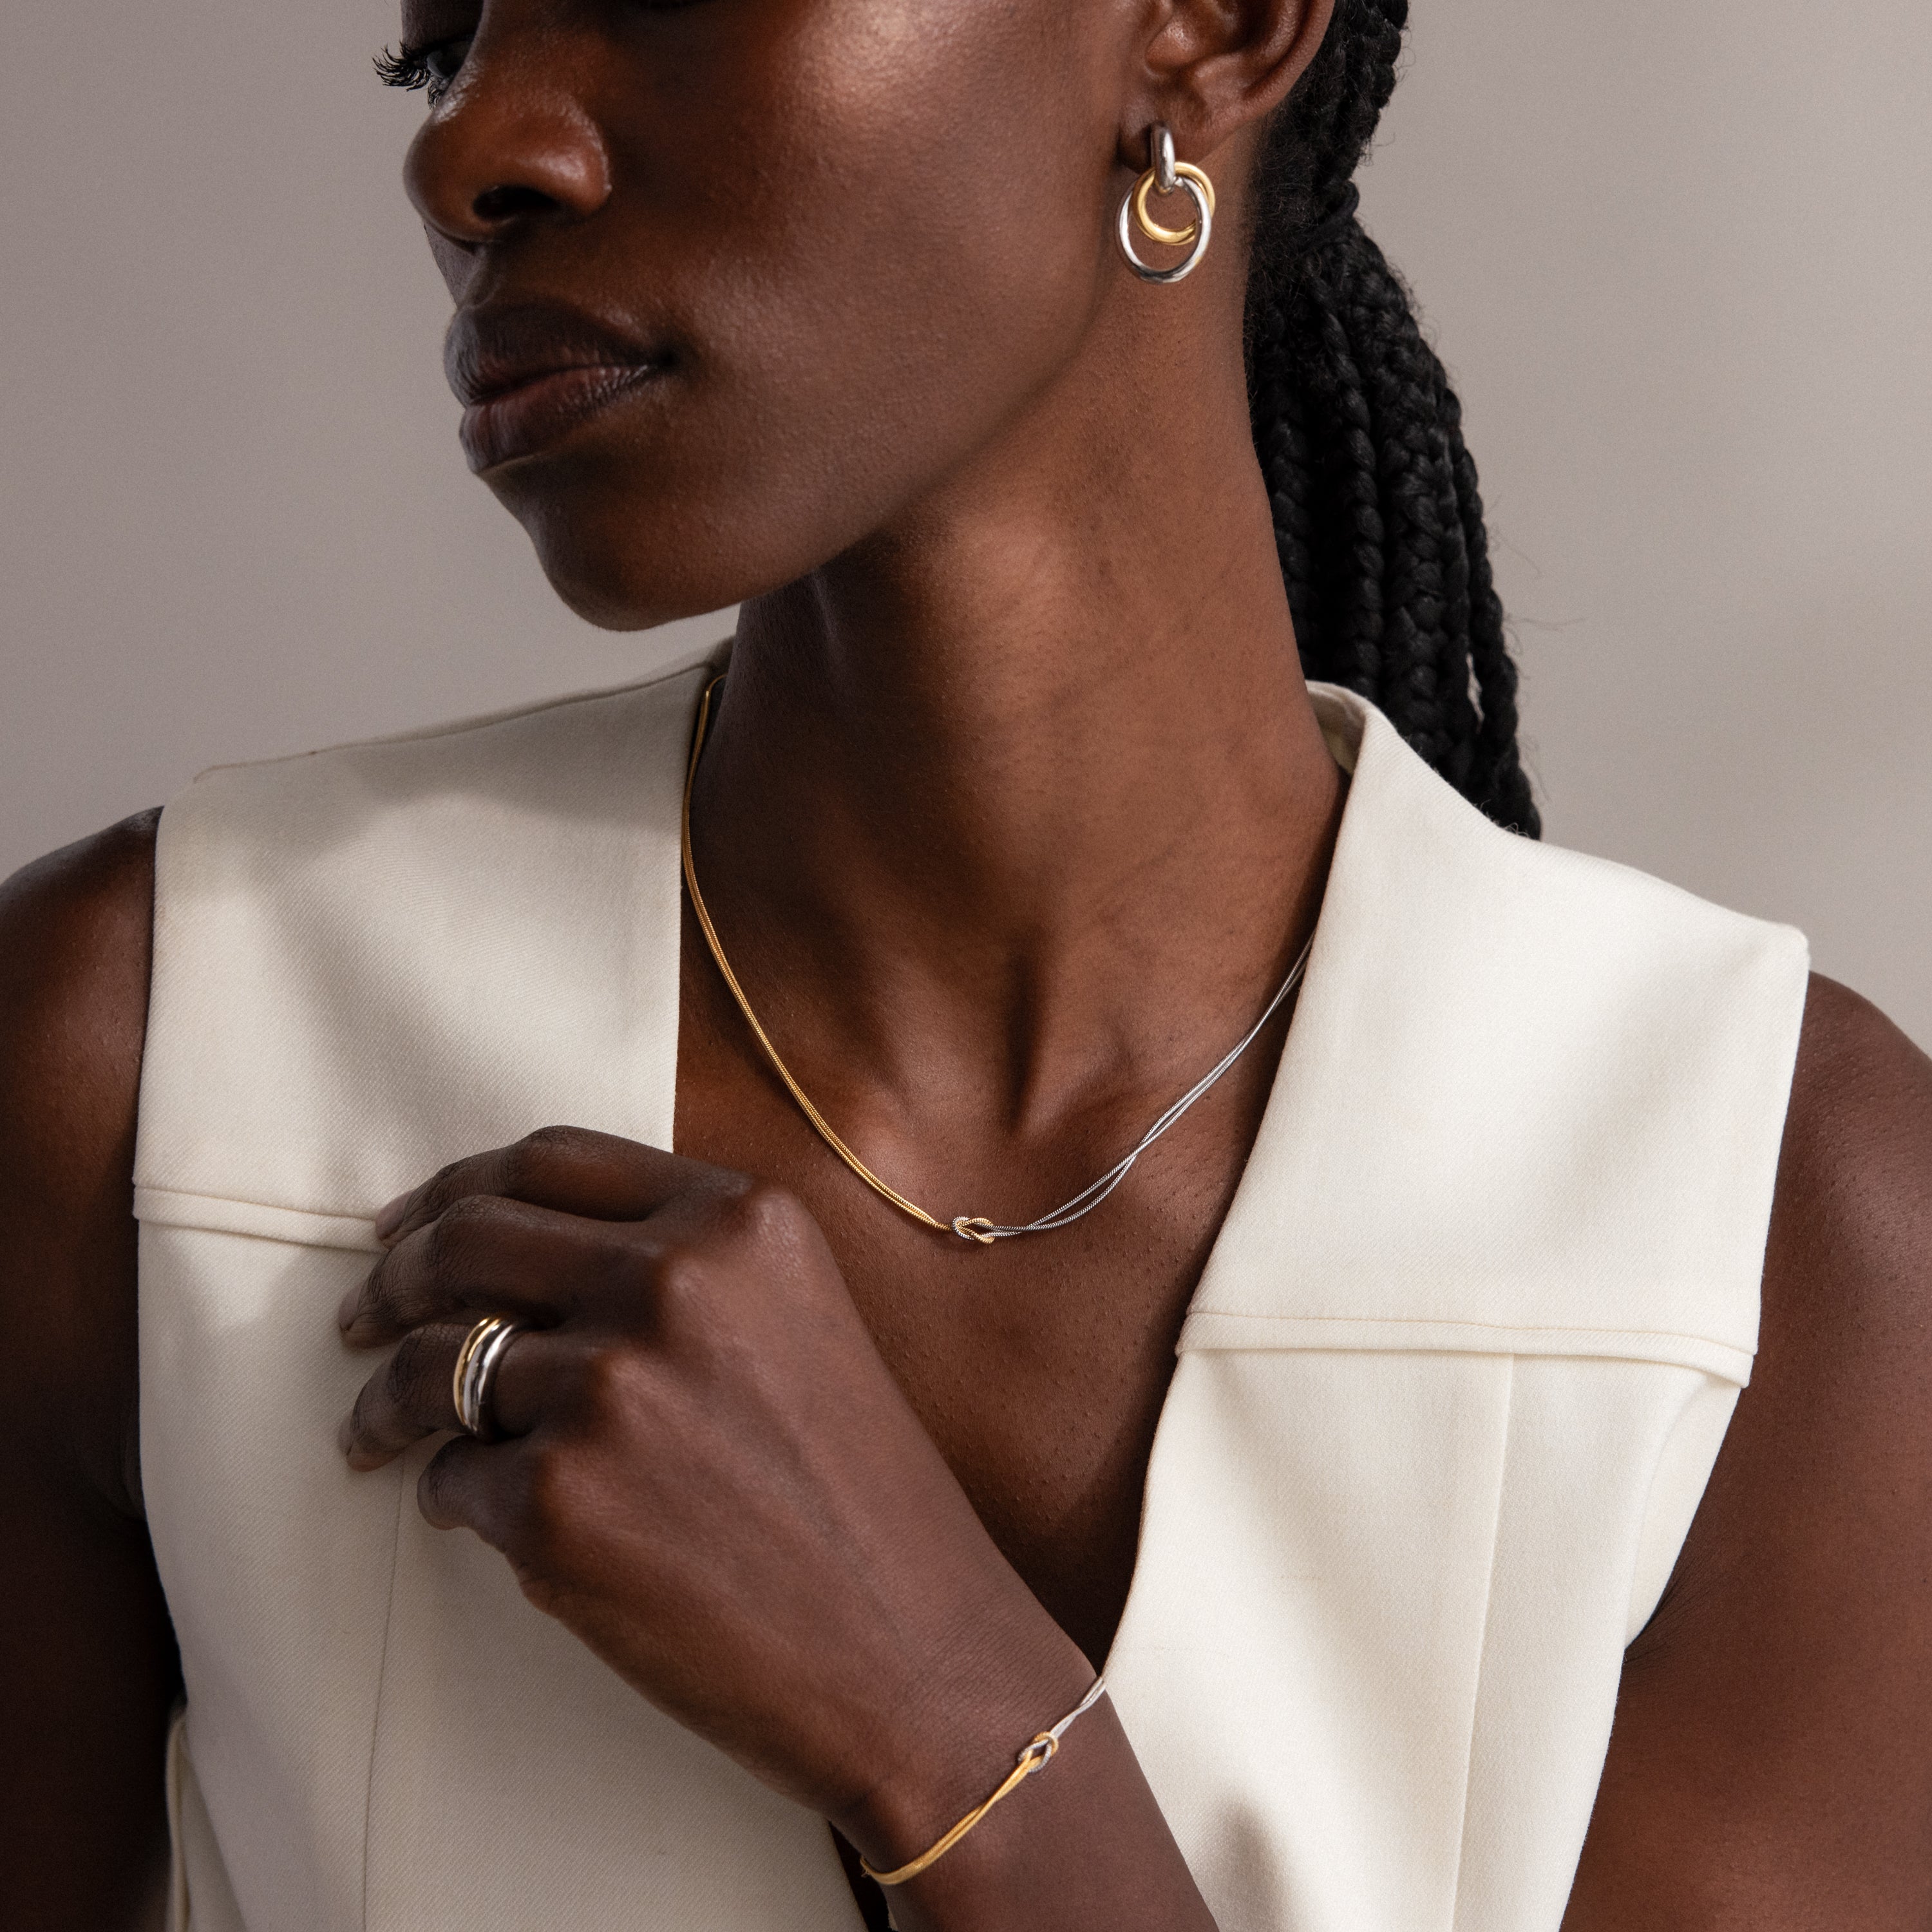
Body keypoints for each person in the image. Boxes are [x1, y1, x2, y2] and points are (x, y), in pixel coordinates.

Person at [3, 0, 1929, 1927]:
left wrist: (950, 1730)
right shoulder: (143, 1070)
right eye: (437, 55)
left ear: (1208, 29)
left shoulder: (1778, 1236)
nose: (470, 149)